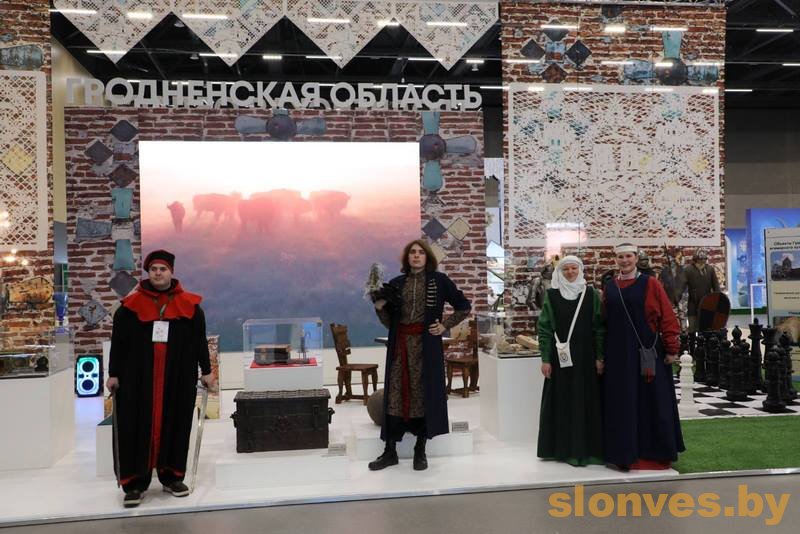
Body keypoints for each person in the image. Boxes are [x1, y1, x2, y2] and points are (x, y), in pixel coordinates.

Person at [106, 250, 215, 508]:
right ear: (148, 273)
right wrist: (113, 374)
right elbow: (118, 343)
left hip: (177, 377)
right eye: (153, 269)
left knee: (176, 423)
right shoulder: (128, 309)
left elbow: (200, 341)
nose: (158, 273)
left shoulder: (191, 308)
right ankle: (134, 484)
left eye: (162, 269)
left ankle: (172, 477)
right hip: (137, 379)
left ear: (171, 272)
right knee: (134, 425)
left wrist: (207, 370)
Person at [369, 239, 471, 471]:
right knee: (395, 393)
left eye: (421, 252)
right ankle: (390, 451)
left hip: (426, 347)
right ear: (407, 257)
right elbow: (389, 322)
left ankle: (420, 449)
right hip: (400, 347)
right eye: (412, 252)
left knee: (423, 393)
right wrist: (380, 308)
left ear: (427, 257)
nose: (416, 256)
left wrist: (445, 326)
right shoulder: (396, 284)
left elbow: (463, 306)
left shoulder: (439, 281)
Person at [602, 243, 685, 470]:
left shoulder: (651, 284)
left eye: (628, 256)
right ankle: (623, 454)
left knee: (652, 402)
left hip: (647, 352)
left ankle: (653, 454)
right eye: (621, 257)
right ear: (616, 259)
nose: (625, 260)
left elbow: (666, 316)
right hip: (618, 355)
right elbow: (604, 320)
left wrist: (671, 348)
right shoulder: (610, 287)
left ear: (636, 258)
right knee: (623, 403)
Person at [537, 256, 605, 466]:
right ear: (560, 272)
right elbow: (545, 328)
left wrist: (600, 356)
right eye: (565, 269)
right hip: (560, 359)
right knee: (562, 400)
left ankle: (587, 450)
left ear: (580, 269)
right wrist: (545, 359)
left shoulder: (591, 294)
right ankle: (562, 449)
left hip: (586, 357)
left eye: (574, 268)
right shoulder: (552, 295)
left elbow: (599, 327)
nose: (570, 272)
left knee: (585, 401)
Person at [683, 249, 720, 333]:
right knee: (692, 328)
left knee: (705, 328)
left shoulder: (710, 269)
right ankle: (692, 341)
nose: (702, 262)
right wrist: (676, 295)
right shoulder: (688, 270)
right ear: (695, 260)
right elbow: (681, 286)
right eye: (700, 259)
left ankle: (705, 341)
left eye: (704, 259)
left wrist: (719, 301)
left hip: (707, 303)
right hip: (693, 303)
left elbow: (716, 287)